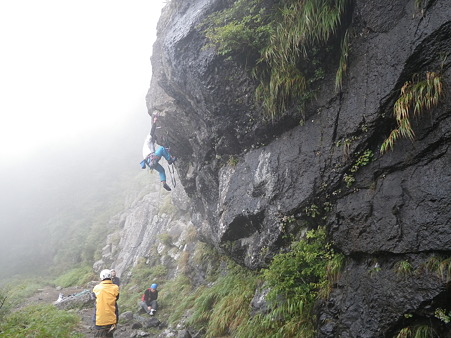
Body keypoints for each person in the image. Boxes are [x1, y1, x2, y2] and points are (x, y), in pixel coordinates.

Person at [140, 113, 176, 191]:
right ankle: (170, 159)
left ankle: (164, 183)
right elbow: (152, 132)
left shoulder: (148, 146)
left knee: (161, 170)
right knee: (162, 149)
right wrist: (154, 122)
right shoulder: (148, 140)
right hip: (152, 159)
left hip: (150, 163)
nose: (154, 140)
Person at [92, 269, 120, 337]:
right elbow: (116, 298)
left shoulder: (96, 288)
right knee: (114, 304)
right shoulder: (115, 288)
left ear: (101, 278)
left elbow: (94, 297)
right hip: (112, 319)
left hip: (99, 320)